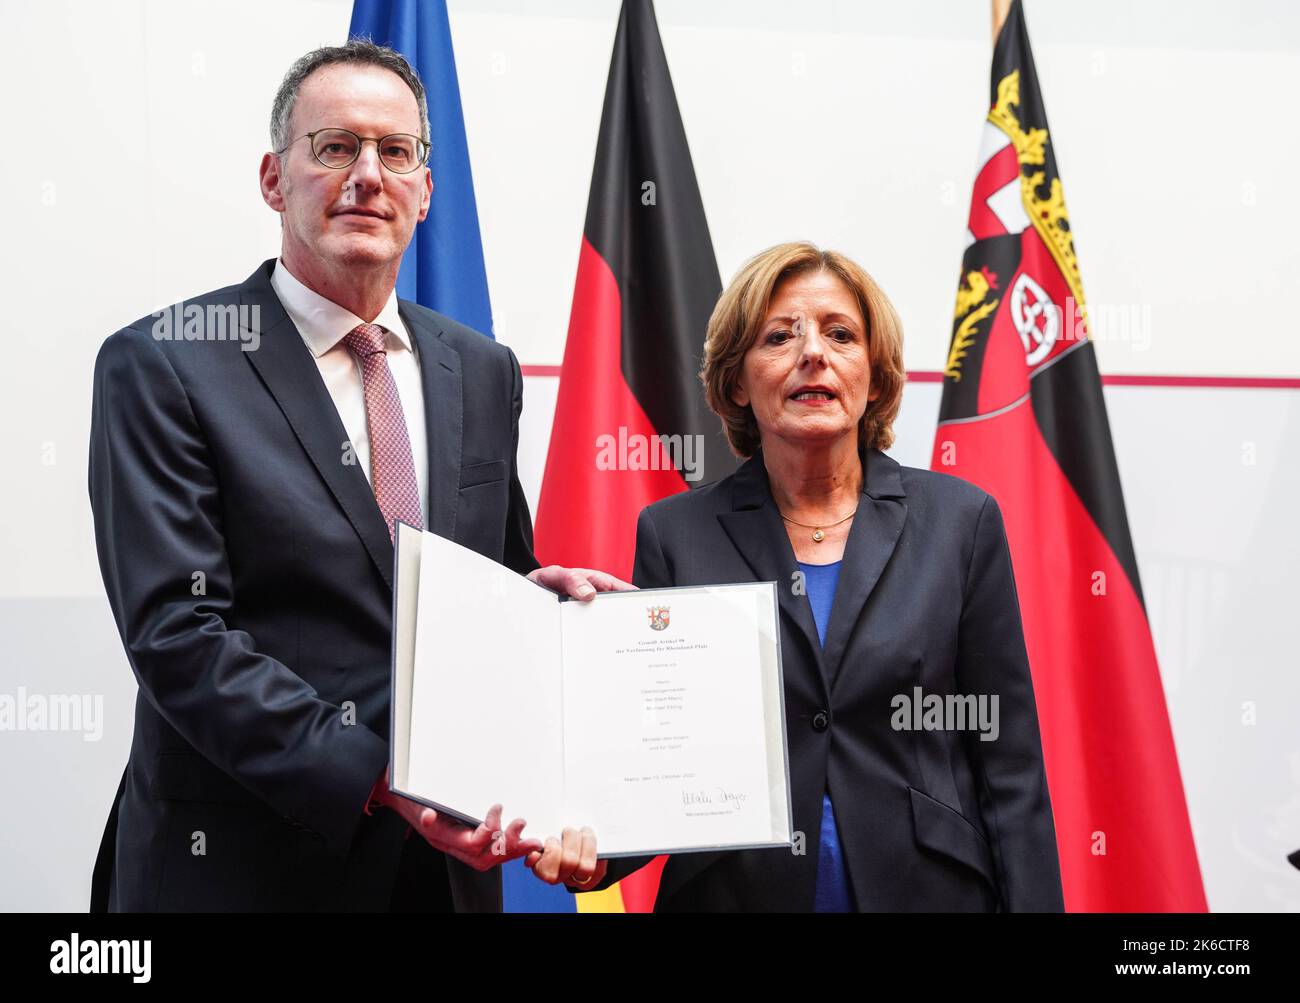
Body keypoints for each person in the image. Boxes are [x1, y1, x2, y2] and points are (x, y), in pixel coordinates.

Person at [88, 40, 610, 912]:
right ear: (272, 179)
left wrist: (535, 602)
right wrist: (376, 774)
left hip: (441, 876)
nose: (369, 175)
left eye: (396, 152)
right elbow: (178, 633)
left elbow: (490, 576)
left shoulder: (482, 370)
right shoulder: (166, 362)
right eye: (334, 147)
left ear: (426, 189)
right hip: (241, 869)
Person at [582, 241, 1064, 910]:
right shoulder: (675, 534)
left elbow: (1009, 764)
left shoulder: (961, 522)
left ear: (874, 373)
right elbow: (663, 755)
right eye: (780, 336)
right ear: (737, 381)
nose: (813, 352)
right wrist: (592, 851)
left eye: (840, 333)